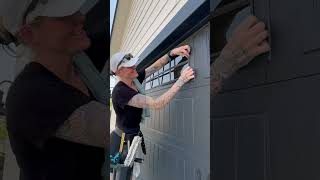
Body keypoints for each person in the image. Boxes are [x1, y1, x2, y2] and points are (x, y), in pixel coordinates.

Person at [109, 15, 270, 178]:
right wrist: (181, 80)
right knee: (125, 174)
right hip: (123, 141)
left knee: (133, 172)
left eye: (133, 63)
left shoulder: (134, 78)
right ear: (119, 72)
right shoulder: (120, 92)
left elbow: (155, 67)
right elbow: (157, 103)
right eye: (129, 66)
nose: (134, 67)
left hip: (133, 136)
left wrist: (173, 53)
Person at [0, 0, 108, 179]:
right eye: (64, 15)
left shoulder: (83, 62)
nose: (80, 17)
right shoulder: (31, 95)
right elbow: (115, 126)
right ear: (28, 34)